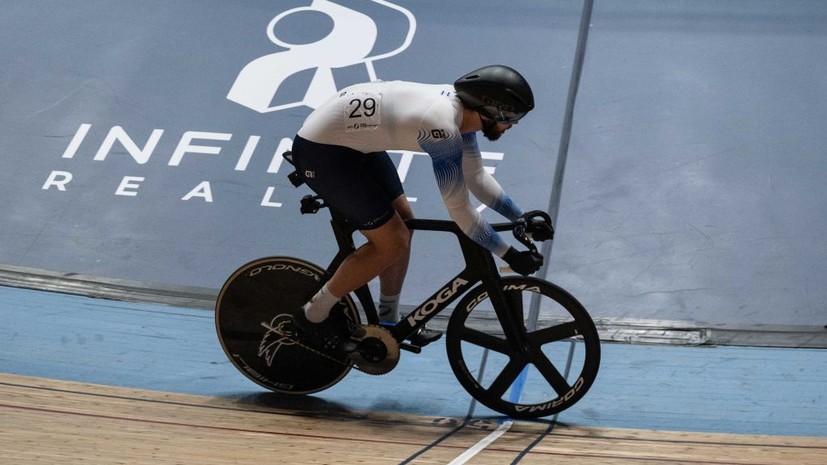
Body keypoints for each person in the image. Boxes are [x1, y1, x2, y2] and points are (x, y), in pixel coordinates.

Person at [290, 64, 550, 353]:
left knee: (405, 224)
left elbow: (476, 178)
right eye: (511, 118)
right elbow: (460, 211)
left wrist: (521, 216)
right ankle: (311, 316)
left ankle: (388, 322)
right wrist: (508, 254)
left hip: (351, 140)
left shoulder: (464, 115)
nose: (514, 125)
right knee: (392, 241)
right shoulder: (441, 128)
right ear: (488, 112)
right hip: (322, 152)